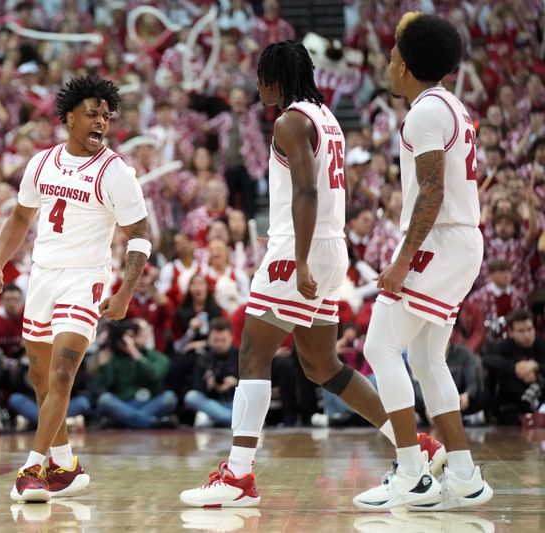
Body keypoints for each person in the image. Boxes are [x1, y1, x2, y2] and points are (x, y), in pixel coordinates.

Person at [180, 41, 442, 508]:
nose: (258, 86)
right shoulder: (326, 119)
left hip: (300, 252)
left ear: (274, 80)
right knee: (323, 365)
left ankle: (238, 476)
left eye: (262, 77)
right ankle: (413, 442)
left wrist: (297, 258)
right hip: (329, 247)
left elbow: (305, 192)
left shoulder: (289, 120)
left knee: (252, 353)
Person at [0, 74, 151, 503]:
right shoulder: (41, 163)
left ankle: (31, 469)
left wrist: (125, 292)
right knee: (40, 378)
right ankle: (66, 465)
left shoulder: (116, 172)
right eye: (92, 114)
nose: (101, 122)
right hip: (42, 274)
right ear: (70, 117)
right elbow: (21, 217)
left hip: (85, 278)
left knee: (62, 373)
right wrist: (0, 263)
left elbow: (141, 236)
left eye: (106, 116)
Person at [354, 13, 493, 511]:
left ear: (406, 65)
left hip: (442, 240)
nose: (388, 65)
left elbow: (431, 192)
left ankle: (412, 473)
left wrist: (401, 260)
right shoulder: (450, 105)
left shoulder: (424, 113)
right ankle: (464, 475)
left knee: (380, 347)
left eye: (392, 57)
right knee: (427, 359)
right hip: (459, 241)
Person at [94, 319, 177, 429]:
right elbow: (105, 384)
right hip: (123, 403)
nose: (137, 336)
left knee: (169, 398)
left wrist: (135, 353)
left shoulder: (158, 357)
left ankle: (122, 421)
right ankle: (153, 422)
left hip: (150, 402)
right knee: (105, 399)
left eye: (142, 330)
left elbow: (155, 375)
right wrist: (104, 364)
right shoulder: (115, 357)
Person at [483, 310, 544, 424]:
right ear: (511, 332)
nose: (527, 335)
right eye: (521, 331)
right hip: (512, 399)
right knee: (505, 376)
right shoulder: (505, 345)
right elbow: (487, 359)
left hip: (538, 388)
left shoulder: (540, 344)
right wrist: (515, 367)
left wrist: (535, 367)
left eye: (529, 329)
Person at [183, 318, 239, 427]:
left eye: (223, 340)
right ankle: (232, 420)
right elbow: (196, 386)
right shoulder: (203, 357)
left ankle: (225, 419)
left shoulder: (240, 356)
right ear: (209, 338)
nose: (219, 344)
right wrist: (207, 384)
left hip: (233, 403)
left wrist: (235, 382)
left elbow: (249, 382)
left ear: (231, 338)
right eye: (215, 340)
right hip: (212, 404)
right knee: (191, 396)